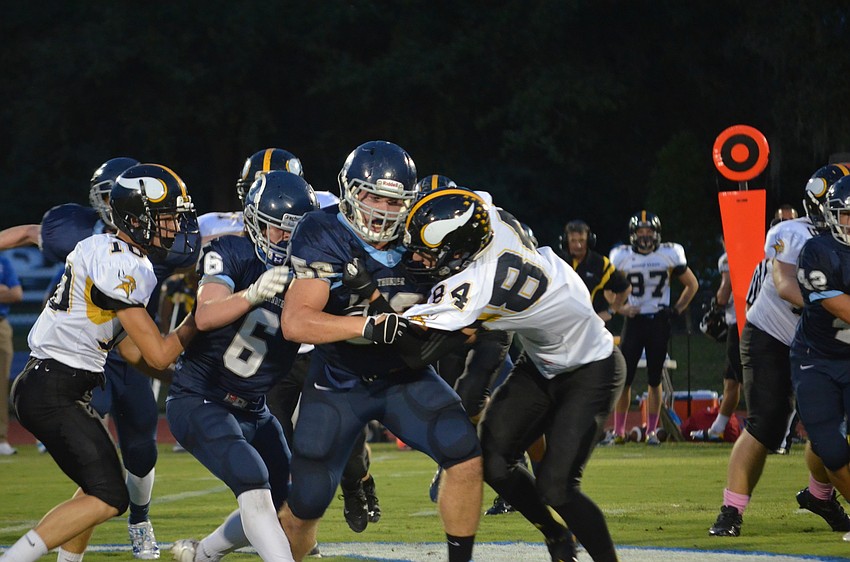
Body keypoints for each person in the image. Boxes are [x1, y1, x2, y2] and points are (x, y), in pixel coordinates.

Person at [278, 140, 483, 562]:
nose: (381, 209)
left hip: (403, 376)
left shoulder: (422, 235)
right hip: (338, 378)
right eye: (371, 196)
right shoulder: (323, 231)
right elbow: (295, 322)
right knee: (306, 504)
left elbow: (470, 313)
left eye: (393, 201)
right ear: (349, 192)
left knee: (465, 455)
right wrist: (367, 325)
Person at [398, 186, 625, 562]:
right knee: (494, 461)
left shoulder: (477, 283)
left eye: (429, 253)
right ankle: (556, 535)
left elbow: (415, 350)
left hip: (592, 366)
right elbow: (475, 197)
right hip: (543, 361)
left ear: (459, 251)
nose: (421, 259)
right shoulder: (488, 216)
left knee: (557, 486)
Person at [2, 163, 198, 562]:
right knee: (109, 494)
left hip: (54, 384)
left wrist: (182, 377)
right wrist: (203, 316)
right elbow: (160, 351)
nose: (175, 229)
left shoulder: (108, 251)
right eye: (165, 219)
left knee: (103, 492)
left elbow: (130, 351)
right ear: (136, 219)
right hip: (54, 387)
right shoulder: (124, 263)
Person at [169, 170, 318, 562]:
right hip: (201, 398)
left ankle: (204, 553)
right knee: (253, 479)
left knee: (290, 499)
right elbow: (205, 315)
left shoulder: (312, 270)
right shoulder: (231, 251)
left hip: (254, 407)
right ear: (254, 222)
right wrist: (252, 294)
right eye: (277, 230)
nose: (286, 239)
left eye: (295, 231)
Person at [708, 163, 850, 537]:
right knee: (766, 422)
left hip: (825, 347)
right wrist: (831, 299)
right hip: (773, 333)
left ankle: (820, 496)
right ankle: (731, 510)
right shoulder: (793, 232)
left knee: (826, 424)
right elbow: (786, 284)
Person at [792, 175, 850, 535]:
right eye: (848, 215)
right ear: (832, 216)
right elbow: (844, 309)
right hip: (818, 360)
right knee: (832, 451)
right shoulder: (818, 251)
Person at [609, 211, 699, 445]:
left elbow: (692, 285)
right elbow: (608, 289)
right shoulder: (622, 256)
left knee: (655, 378)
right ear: (633, 235)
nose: (645, 236)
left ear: (657, 234)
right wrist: (620, 309)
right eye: (641, 232)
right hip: (635, 321)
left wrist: (677, 309)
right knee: (624, 378)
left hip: (659, 321)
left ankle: (651, 430)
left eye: (650, 232)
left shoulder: (669, 254)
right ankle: (619, 431)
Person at [692, 246, 743, 441]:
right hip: (764, 322)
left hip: (741, 324)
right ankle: (718, 428)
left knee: (745, 380)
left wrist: (715, 309)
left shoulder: (729, 257)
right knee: (732, 380)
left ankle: (771, 430)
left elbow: (723, 295)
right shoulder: (763, 250)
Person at [560, 219, 633, 324]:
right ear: (566, 241)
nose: (578, 245)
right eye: (573, 241)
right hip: (564, 324)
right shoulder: (557, 262)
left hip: (592, 325)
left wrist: (611, 311)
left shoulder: (601, 263)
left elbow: (626, 288)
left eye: (581, 240)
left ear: (589, 240)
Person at [0, 253, 22, 455]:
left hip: (1, 326)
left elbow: (16, 294)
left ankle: (1, 439)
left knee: (1, 384)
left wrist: (7, 292)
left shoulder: (3, 259)